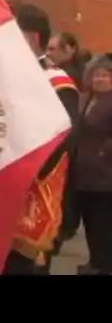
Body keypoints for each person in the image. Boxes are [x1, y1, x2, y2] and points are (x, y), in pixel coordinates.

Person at [4, 4, 79, 275]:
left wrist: (19, 174)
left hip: (31, 198)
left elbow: (61, 142)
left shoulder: (57, 83)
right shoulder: (1, 78)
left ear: (32, 38)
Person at [73, 54, 112, 275]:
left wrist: (104, 150)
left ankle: (103, 265)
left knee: (103, 223)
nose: (100, 78)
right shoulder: (87, 100)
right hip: (84, 173)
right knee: (89, 221)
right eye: (97, 74)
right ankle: (95, 260)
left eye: (105, 75)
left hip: (105, 175)